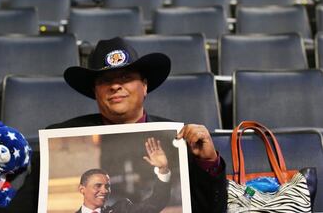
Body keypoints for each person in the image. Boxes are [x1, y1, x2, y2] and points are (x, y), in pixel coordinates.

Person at [48, 37, 228, 212]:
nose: (116, 85)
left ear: (145, 86)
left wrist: (208, 162)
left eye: (126, 77)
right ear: (95, 91)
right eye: (105, 80)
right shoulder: (55, 138)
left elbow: (211, 209)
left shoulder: (181, 139)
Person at [77, 137, 171, 213]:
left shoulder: (122, 209)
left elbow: (155, 203)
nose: (104, 190)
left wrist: (163, 170)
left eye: (107, 186)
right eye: (98, 186)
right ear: (82, 189)